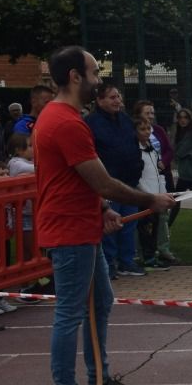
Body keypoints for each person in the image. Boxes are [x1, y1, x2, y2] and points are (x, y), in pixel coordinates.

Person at [35, 46, 175, 385]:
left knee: (99, 303)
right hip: (70, 231)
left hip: (82, 225)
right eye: (95, 72)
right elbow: (102, 181)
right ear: (75, 77)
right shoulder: (65, 122)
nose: (99, 80)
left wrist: (102, 210)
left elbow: (77, 182)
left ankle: (99, 382)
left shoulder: (63, 117)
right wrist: (151, 199)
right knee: (70, 313)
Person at [85, 82, 145, 278]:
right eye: (112, 97)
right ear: (99, 100)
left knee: (129, 224)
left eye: (118, 97)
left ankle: (127, 261)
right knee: (110, 225)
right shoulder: (91, 123)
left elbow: (133, 144)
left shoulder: (125, 120)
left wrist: (138, 167)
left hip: (129, 182)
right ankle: (108, 263)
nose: (117, 101)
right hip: (109, 183)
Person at [135, 118, 179, 268]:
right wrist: (148, 196)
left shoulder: (152, 150)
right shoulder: (135, 152)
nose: (147, 132)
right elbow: (138, 178)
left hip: (156, 197)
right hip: (145, 197)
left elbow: (159, 173)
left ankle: (152, 255)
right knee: (145, 229)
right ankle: (146, 257)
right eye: (143, 129)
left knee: (154, 228)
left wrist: (163, 193)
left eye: (149, 129)